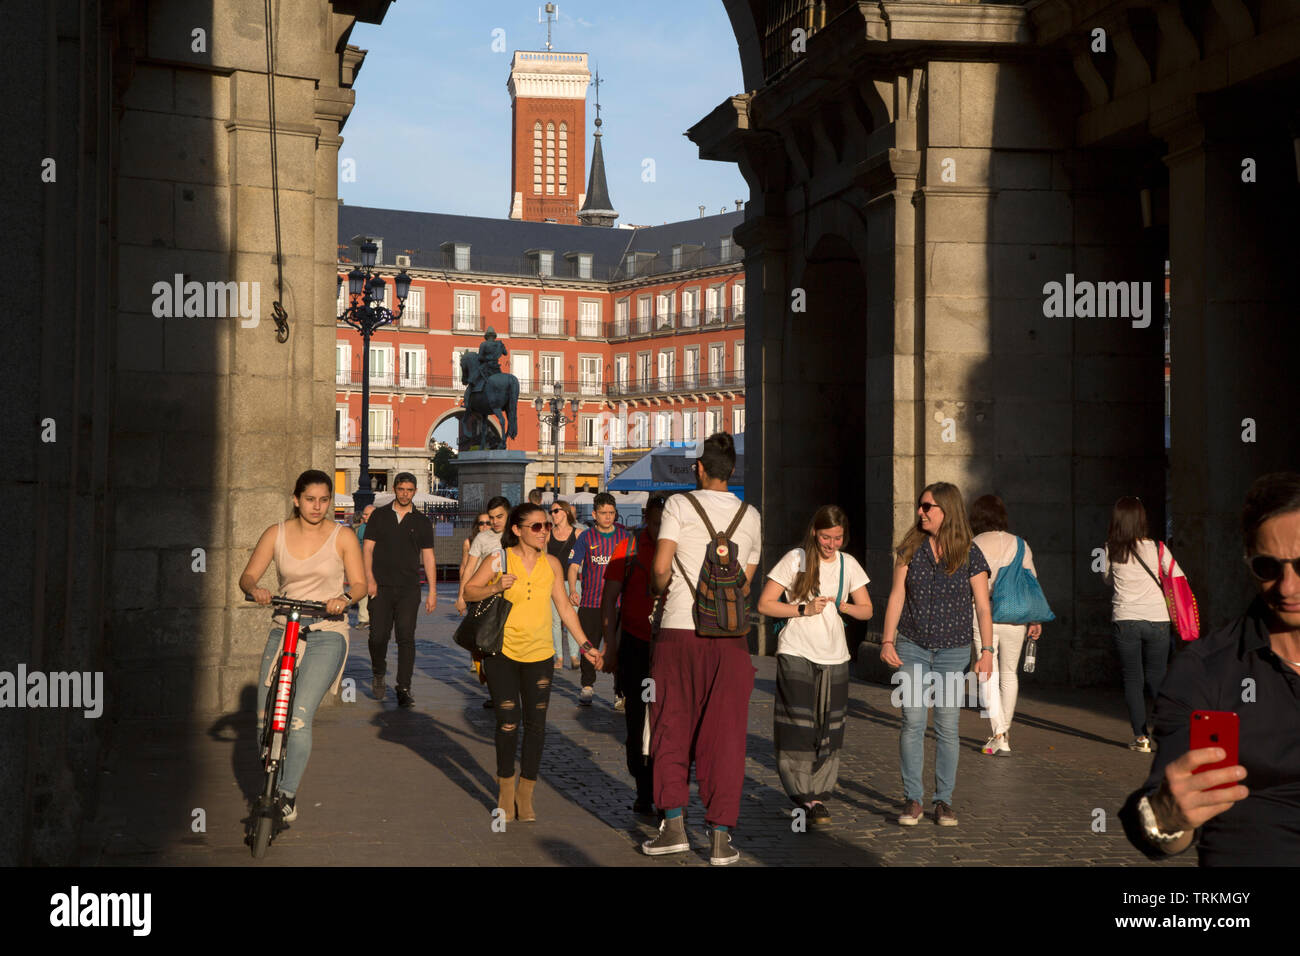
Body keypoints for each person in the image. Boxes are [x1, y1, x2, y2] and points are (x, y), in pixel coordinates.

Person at [1124, 472, 1300, 865]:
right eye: (1268, 567)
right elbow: (1157, 821)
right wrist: (1167, 815)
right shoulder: (1207, 670)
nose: (1288, 587)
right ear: (1247, 561)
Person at [643, 433, 761, 865]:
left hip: (679, 631)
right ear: (732, 473)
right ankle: (720, 836)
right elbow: (745, 586)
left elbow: (660, 568)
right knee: (726, 737)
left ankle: (673, 825)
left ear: (699, 469)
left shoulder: (677, 505)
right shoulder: (751, 515)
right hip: (731, 640)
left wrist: (661, 589)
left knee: (671, 726)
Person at [463, 502, 604, 822]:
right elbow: (469, 591)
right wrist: (496, 585)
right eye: (537, 527)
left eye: (547, 526)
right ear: (517, 530)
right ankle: (506, 790)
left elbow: (566, 608)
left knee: (536, 726)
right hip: (502, 653)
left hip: (541, 655)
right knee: (508, 721)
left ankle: (526, 794)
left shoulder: (552, 563)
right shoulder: (499, 558)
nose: (545, 532)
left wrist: (585, 646)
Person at [239, 470, 365, 823]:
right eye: (310, 499)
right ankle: (270, 774)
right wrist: (257, 590)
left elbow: (360, 584)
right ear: (296, 499)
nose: (317, 506)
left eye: (324, 500)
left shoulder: (343, 537)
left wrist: (343, 598)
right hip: (285, 625)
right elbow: (247, 577)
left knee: (297, 717)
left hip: (327, 629)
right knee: (266, 714)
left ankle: (288, 794)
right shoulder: (276, 533)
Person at [880, 482, 992, 828]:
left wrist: (986, 651)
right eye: (920, 506)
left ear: (947, 510)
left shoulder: (970, 553)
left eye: (927, 506)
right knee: (912, 721)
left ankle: (943, 801)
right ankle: (912, 799)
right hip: (912, 645)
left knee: (946, 725)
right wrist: (887, 641)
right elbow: (897, 595)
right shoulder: (910, 548)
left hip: (953, 651)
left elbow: (984, 608)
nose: (921, 512)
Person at [756, 505, 872, 826]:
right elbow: (765, 603)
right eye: (826, 537)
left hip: (835, 656)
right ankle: (803, 796)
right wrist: (802, 609)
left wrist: (847, 605)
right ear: (814, 533)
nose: (831, 544)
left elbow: (867, 610)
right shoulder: (796, 559)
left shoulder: (849, 564)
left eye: (837, 537)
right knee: (797, 729)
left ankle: (819, 795)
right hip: (796, 651)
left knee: (828, 730)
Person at [601, 494, 668, 818]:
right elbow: (609, 599)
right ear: (646, 518)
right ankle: (643, 786)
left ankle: (663, 786)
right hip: (636, 646)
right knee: (638, 717)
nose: (661, 530)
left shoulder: (682, 549)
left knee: (669, 720)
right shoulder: (627, 548)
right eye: (656, 523)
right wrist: (611, 648)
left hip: (671, 649)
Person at [1103, 495, 1189, 752]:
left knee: (1133, 679)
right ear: (1142, 520)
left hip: (1125, 618)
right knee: (1158, 676)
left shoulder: (1111, 548)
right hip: (1158, 620)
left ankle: (1141, 738)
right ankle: (1170, 731)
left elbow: (1107, 579)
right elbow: (1178, 576)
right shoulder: (1157, 548)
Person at [969, 494, 1045, 756]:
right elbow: (1031, 583)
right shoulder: (1021, 545)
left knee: (986, 670)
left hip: (983, 613)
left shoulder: (973, 544)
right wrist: (1035, 618)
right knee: (1010, 674)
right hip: (1016, 615)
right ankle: (1004, 732)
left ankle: (999, 734)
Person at [364, 473, 437, 709]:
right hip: (381, 587)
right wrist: (369, 579)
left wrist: (433, 590)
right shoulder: (379, 516)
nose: (405, 493)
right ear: (394, 489)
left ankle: (403, 687)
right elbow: (367, 550)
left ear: (415, 491)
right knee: (377, 637)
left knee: (406, 638)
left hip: (409, 589)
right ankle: (378, 671)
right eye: (401, 489)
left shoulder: (422, 521)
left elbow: (428, 556)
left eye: (409, 490)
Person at [567, 492, 630, 706]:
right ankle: (587, 686)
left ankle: (619, 691)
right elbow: (574, 565)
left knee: (619, 649)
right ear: (595, 514)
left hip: (619, 604)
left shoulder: (625, 537)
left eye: (611, 513)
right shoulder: (585, 537)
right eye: (603, 513)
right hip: (591, 602)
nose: (608, 517)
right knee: (589, 645)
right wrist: (573, 589)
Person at [458, 497, 510, 707]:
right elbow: (469, 568)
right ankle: (494, 691)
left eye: (499, 517)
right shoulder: (482, 538)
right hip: (486, 597)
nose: (495, 522)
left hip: (511, 598)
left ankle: (507, 691)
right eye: (491, 518)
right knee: (487, 646)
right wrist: (462, 595)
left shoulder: (516, 535)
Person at [548, 498, 582, 670]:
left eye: (556, 511)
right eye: (551, 511)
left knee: (572, 619)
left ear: (566, 512)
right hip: (554, 583)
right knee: (555, 621)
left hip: (573, 582)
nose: (553, 514)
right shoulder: (548, 534)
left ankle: (575, 656)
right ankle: (559, 657)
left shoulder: (578, 534)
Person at [353, 505, 375, 627]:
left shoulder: (380, 527)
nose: (364, 517)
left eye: (367, 515)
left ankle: (376, 617)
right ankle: (364, 618)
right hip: (363, 563)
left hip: (377, 564)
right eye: (364, 514)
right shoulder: (362, 528)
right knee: (363, 591)